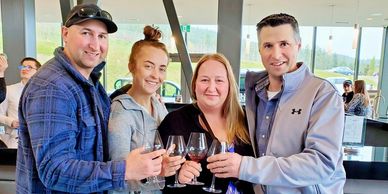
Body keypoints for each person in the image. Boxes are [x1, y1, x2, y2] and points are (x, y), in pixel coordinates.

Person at [16, 3, 165, 193]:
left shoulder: (90, 83)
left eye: (102, 36)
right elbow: (54, 171)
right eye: (86, 33)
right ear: (65, 33)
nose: (95, 45)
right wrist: (125, 169)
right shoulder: (52, 88)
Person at [207, 13, 346, 194]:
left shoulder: (322, 94)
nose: (276, 54)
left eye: (284, 44)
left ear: (298, 46)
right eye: (268, 46)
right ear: (259, 50)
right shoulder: (254, 92)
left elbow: (321, 163)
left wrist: (245, 166)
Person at [158, 53, 254, 194]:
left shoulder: (247, 120)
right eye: (204, 80)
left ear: (229, 85)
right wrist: (177, 175)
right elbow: (157, 175)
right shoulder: (175, 121)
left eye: (219, 80)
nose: (211, 87)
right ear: (195, 84)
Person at [108, 25, 185, 194]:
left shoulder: (158, 106)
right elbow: (118, 177)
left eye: (162, 69)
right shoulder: (121, 112)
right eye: (148, 66)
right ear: (132, 66)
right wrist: (158, 173)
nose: (156, 75)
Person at [0, 57, 41, 148]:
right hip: (14, 140)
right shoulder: (9, 90)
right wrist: (11, 122)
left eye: (29, 67)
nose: (24, 69)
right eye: (23, 67)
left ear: (38, 71)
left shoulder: (43, 92)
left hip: (37, 140)